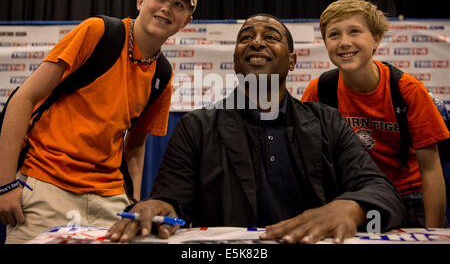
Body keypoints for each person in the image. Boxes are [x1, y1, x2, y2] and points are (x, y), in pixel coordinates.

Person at [107, 13, 406, 244]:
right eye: (246, 37)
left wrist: (350, 209)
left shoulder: (327, 121)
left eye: (270, 36)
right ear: (237, 62)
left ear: (292, 61)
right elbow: (172, 200)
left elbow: (382, 191)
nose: (257, 42)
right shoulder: (196, 126)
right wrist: (158, 208)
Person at [0, 0, 198, 243]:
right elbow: (24, 98)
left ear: (186, 21)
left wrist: (133, 203)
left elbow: (136, 146)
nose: (166, 8)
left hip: (110, 199)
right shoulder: (99, 32)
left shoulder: (162, 76)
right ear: (140, 1)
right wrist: (5, 184)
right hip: (47, 185)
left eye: (178, 4)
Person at [301, 0, 450, 228]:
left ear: (376, 39)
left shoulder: (408, 90)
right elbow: (308, 162)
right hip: (352, 197)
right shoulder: (319, 90)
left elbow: (430, 169)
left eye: (354, 31)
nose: (344, 42)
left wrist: (434, 233)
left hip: (409, 195)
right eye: (334, 35)